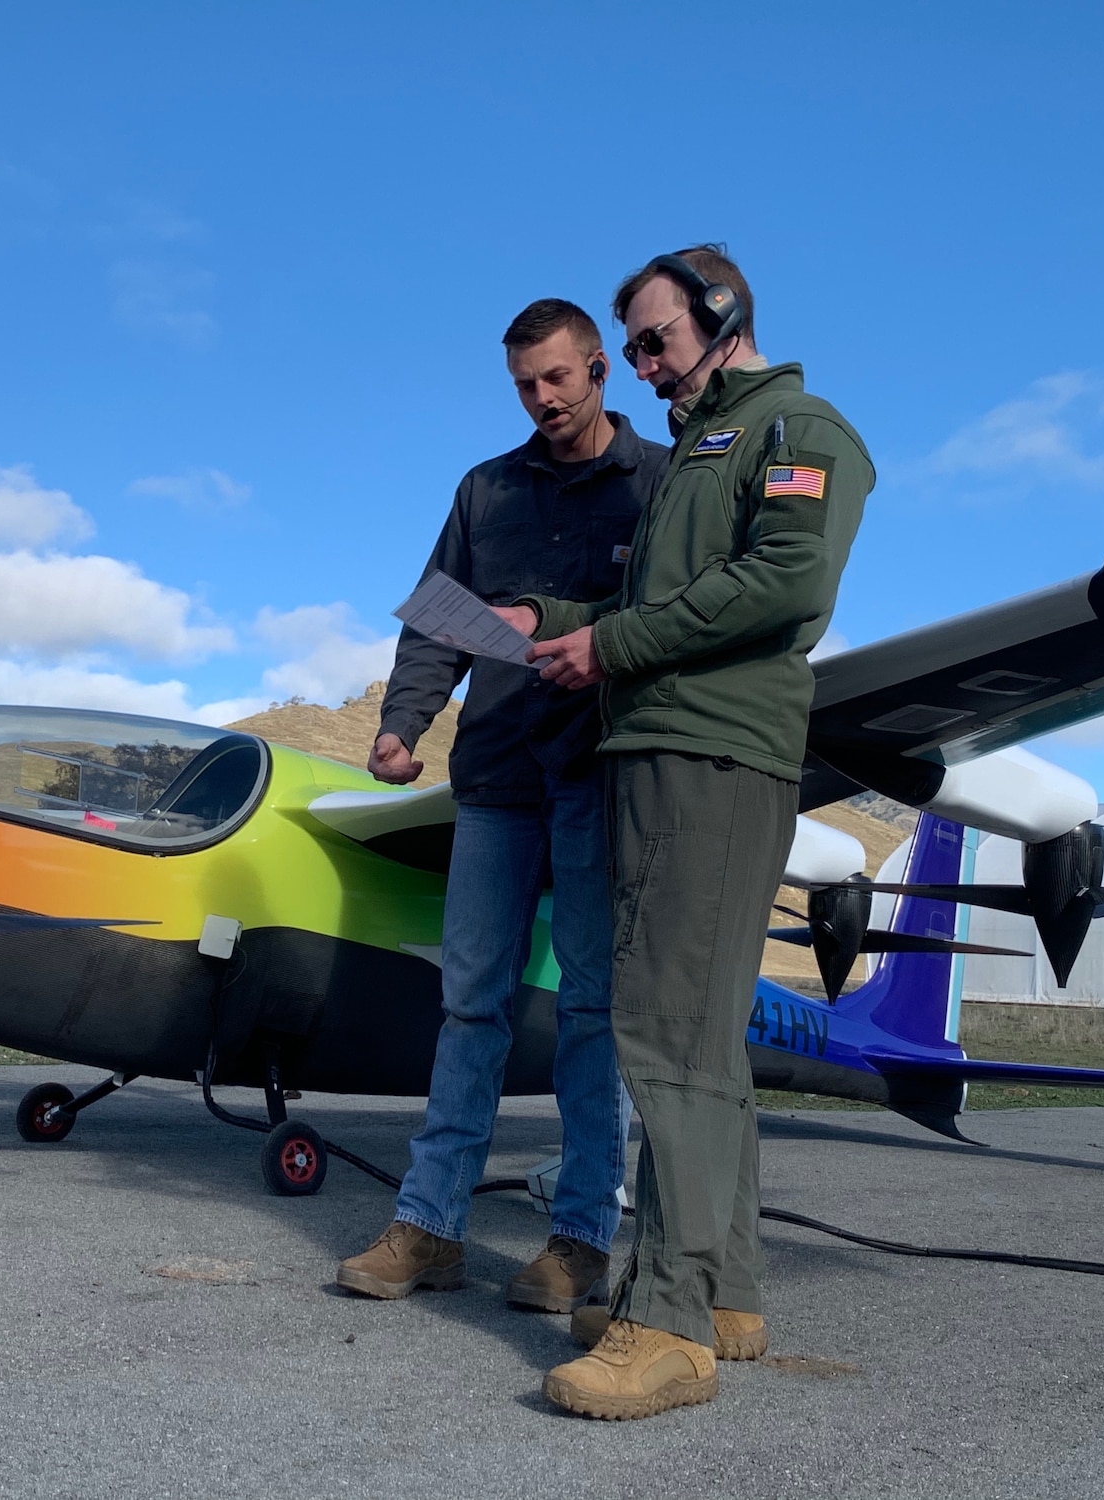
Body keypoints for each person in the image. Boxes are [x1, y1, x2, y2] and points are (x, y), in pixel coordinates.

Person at [499, 246, 873, 1419]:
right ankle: (722, 1294)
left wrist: (608, 648)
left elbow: (782, 590)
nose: (644, 368)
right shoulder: (697, 456)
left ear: (723, 317)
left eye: (655, 341)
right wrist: (555, 619)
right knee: (702, 1040)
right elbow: (655, 602)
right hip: (659, 746)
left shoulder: (797, 431)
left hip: (708, 755)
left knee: (664, 1035)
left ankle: (661, 1326)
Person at [335, 298, 668, 1313]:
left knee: (584, 1011)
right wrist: (405, 724)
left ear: (598, 369)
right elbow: (437, 625)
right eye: (524, 385)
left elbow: (674, 614)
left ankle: (577, 1241)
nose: (542, 399)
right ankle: (429, 1226)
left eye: (557, 379)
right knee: (467, 1004)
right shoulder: (484, 489)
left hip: (593, 774)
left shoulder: (658, 484)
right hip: (493, 780)